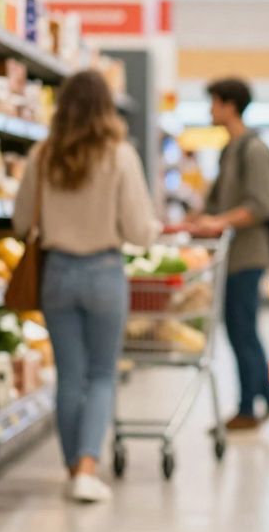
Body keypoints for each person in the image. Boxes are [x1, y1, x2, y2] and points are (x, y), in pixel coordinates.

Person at [12, 69, 159, 504]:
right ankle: (88, 470)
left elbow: (21, 222)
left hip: (56, 273)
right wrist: (154, 229)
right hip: (103, 274)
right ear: (105, 106)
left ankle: (74, 466)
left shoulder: (43, 154)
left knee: (70, 376)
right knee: (100, 375)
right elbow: (137, 229)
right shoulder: (120, 155)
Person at [187, 78, 269, 431]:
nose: (210, 110)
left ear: (229, 105)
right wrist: (192, 222)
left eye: (213, 102)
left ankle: (248, 407)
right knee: (240, 330)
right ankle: (262, 397)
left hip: (247, 256)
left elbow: (261, 205)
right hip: (230, 256)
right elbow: (215, 204)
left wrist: (217, 222)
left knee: (242, 330)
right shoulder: (230, 149)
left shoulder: (253, 150)